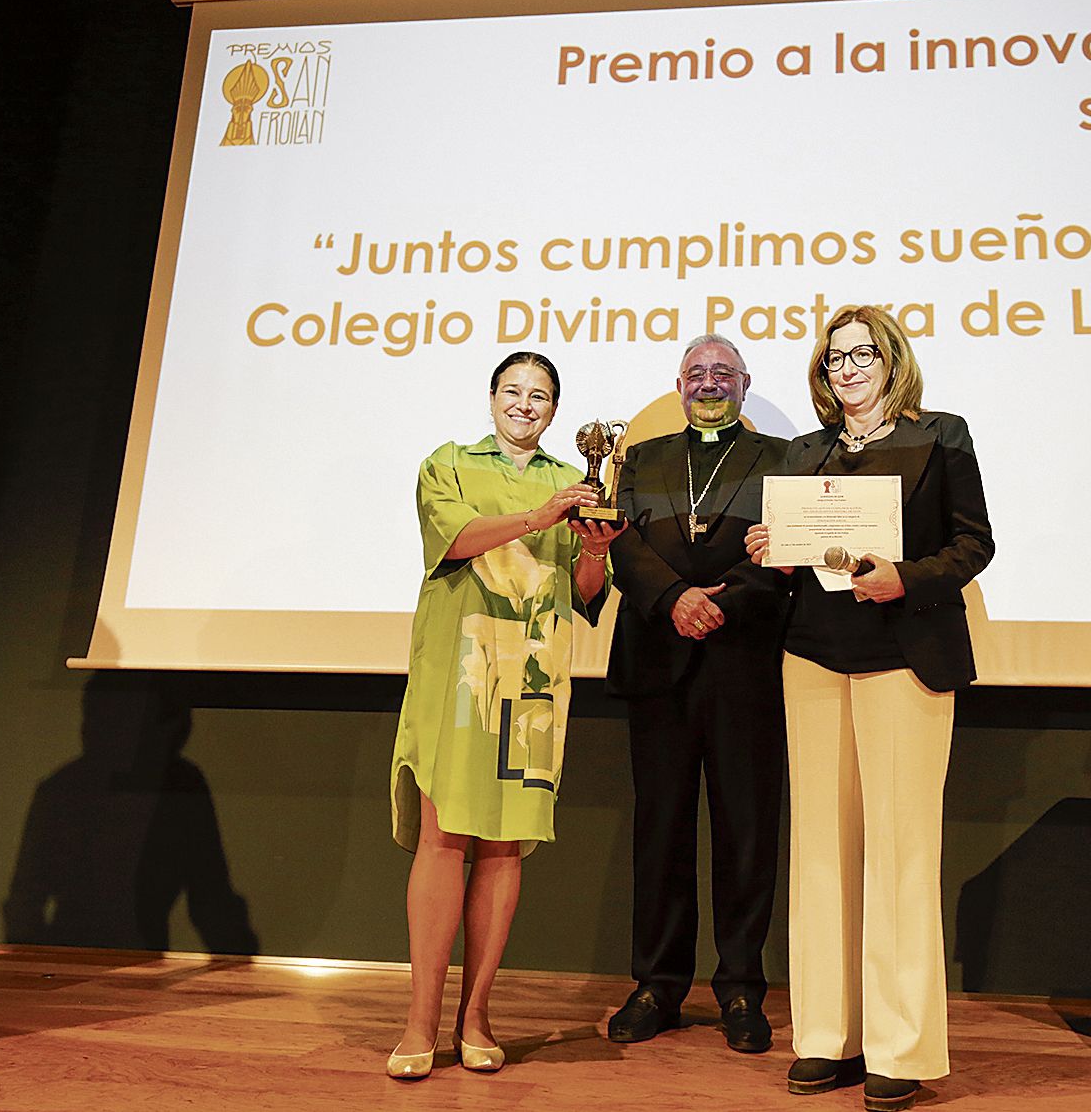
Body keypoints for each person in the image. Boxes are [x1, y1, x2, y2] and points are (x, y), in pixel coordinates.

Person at [747, 306, 994, 1112]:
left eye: (863, 353)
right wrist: (774, 551)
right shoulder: (803, 452)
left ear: (892, 360)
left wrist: (906, 578)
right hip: (814, 654)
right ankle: (828, 1033)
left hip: (905, 655)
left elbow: (974, 542)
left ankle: (900, 1044)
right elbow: (797, 553)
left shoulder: (942, 435)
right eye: (834, 356)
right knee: (820, 849)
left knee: (899, 851)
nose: (847, 367)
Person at [387, 351, 622, 1080]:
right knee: (443, 837)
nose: (525, 404)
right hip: (459, 673)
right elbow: (456, 541)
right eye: (513, 391)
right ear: (491, 398)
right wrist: (540, 516)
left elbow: (587, 591)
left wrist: (594, 549)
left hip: (534, 679)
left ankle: (477, 1016)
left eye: (540, 395)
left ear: (555, 410)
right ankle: (419, 1022)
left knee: (503, 847)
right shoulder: (449, 464)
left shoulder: (574, 478)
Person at [603, 334, 789, 1054]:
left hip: (745, 664)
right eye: (696, 373)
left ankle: (741, 987)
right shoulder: (640, 458)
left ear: (746, 383)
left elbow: (788, 551)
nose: (709, 383)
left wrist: (722, 601)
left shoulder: (783, 458)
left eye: (723, 373)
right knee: (661, 835)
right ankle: (657, 985)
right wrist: (675, 598)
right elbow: (620, 544)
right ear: (679, 385)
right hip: (659, 663)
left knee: (747, 834)